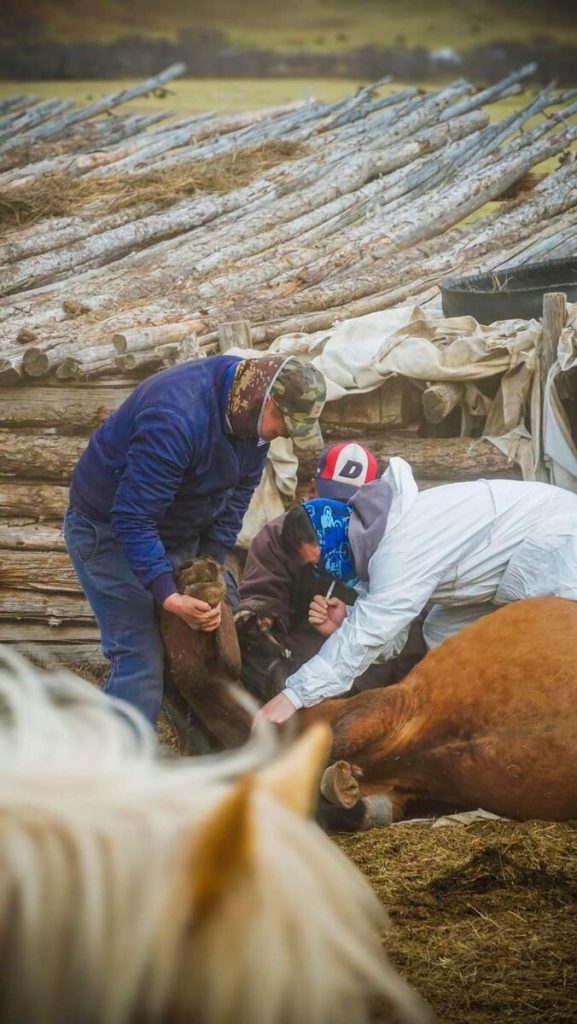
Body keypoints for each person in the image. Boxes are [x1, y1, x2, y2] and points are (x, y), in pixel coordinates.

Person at [64, 353, 326, 724]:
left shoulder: (249, 414)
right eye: (285, 422)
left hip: (179, 524)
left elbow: (236, 497)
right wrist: (169, 596)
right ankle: (114, 770)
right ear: (267, 400)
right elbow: (133, 518)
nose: (284, 433)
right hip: (109, 531)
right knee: (140, 654)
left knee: (229, 624)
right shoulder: (175, 418)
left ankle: (219, 741)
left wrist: (210, 567)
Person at [258, 455, 577, 723]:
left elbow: (367, 635)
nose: (328, 568)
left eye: (325, 557)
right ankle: (483, 722)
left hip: (558, 542)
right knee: (442, 632)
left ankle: (536, 730)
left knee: (553, 660)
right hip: (507, 571)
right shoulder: (378, 538)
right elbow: (387, 633)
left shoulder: (400, 547)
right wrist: (348, 620)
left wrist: (294, 696)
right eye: (318, 566)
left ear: (336, 537)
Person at [236, 442, 426, 698]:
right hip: (293, 661)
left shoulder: (392, 548)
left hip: (366, 674)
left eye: (350, 506)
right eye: (329, 504)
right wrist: (264, 616)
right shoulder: (278, 535)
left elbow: (407, 624)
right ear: (312, 490)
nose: (337, 518)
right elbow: (263, 593)